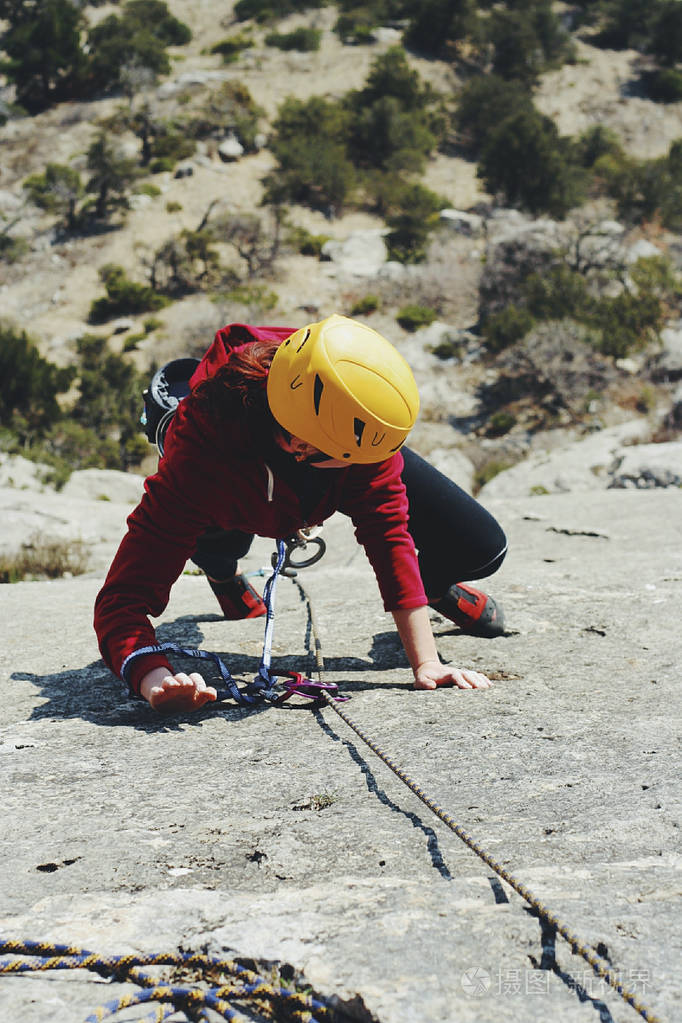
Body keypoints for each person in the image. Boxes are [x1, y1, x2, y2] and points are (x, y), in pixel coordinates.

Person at [94, 314, 507, 714]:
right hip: (234, 483)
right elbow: (122, 599)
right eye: (361, 459)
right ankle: (223, 576)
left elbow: (387, 529)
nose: (377, 463)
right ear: (298, 444)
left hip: (337, 431)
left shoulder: (348, 405)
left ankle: (431, 587)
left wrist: (426, 663)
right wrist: (156, 681)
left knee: (482, 546)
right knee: (219, 543)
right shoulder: (199, 455)